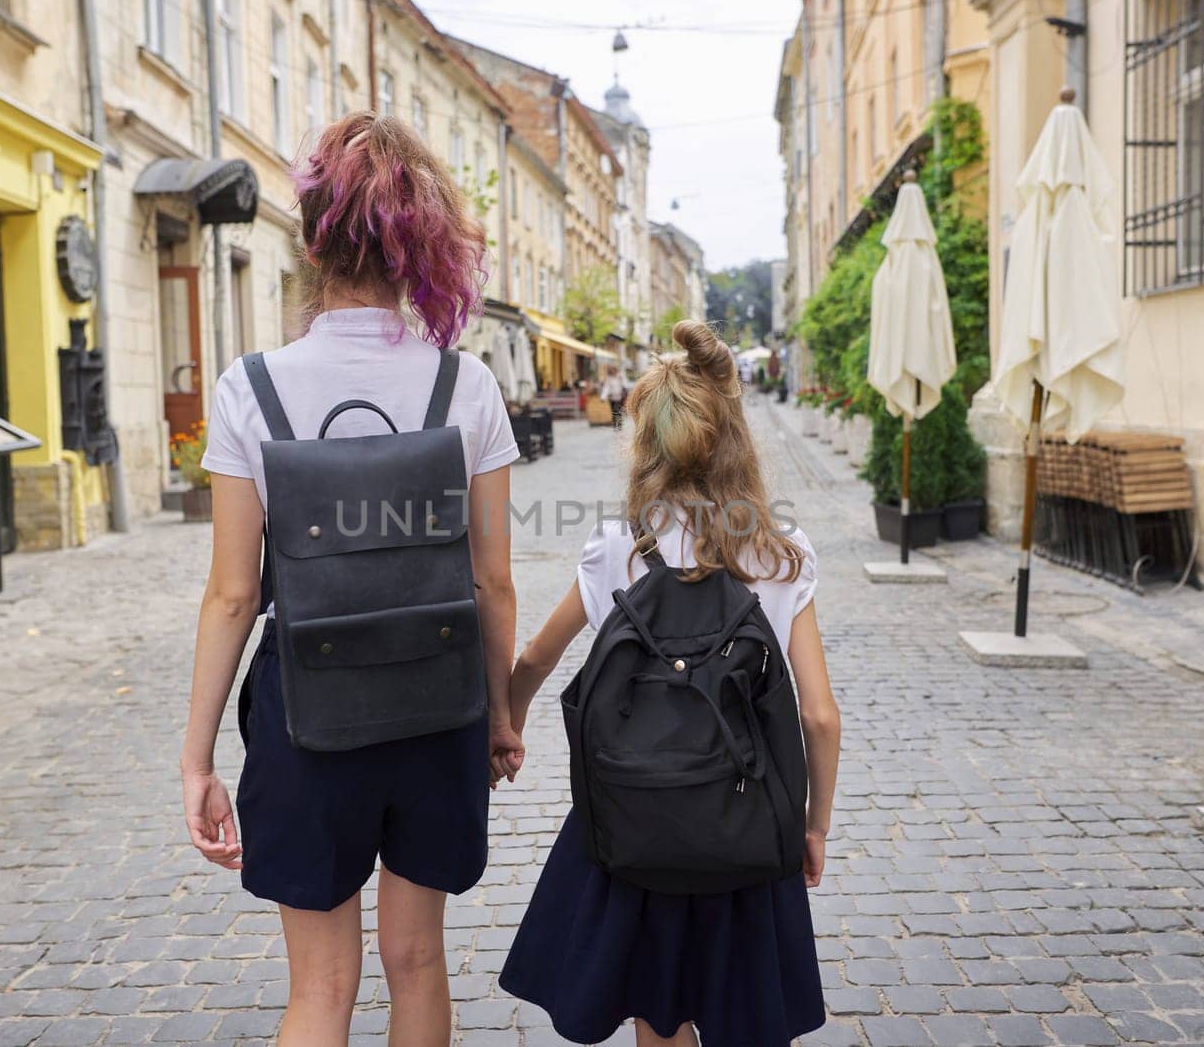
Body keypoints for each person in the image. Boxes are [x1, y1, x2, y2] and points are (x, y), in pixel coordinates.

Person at [180, 111, 523, 1047]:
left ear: (312, 235)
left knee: (321, 987)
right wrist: (499, 713)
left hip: (307, 713)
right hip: (437, 700)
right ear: (422, 238)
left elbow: (233, 595)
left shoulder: (254, 387)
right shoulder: (468, 387)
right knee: (417, 964)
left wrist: (199, 756)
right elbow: (492, 582)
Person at [497, 320, 843, 1047]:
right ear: (733, 439)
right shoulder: (780, 554)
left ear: (647, 445)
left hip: (638, 820)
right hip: (747, 828)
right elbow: (820, 717)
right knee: (746, 1009)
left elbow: (535, 655)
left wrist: (509, 721)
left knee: (658, 1012)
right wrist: (813, 823)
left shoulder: (617, 546)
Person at [599, 364, 628, 430]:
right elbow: (606, 388)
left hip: (620, 397)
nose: (612, 371)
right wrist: (603, 397)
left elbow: (625, 384)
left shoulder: (620, 376)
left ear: (615, 370)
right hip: (612, 397)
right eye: (610, 370)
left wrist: (624, 389)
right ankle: (615, 424)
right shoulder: (609, 379)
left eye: (613, 370)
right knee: (613, 411)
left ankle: (619, 425)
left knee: (618, 411)